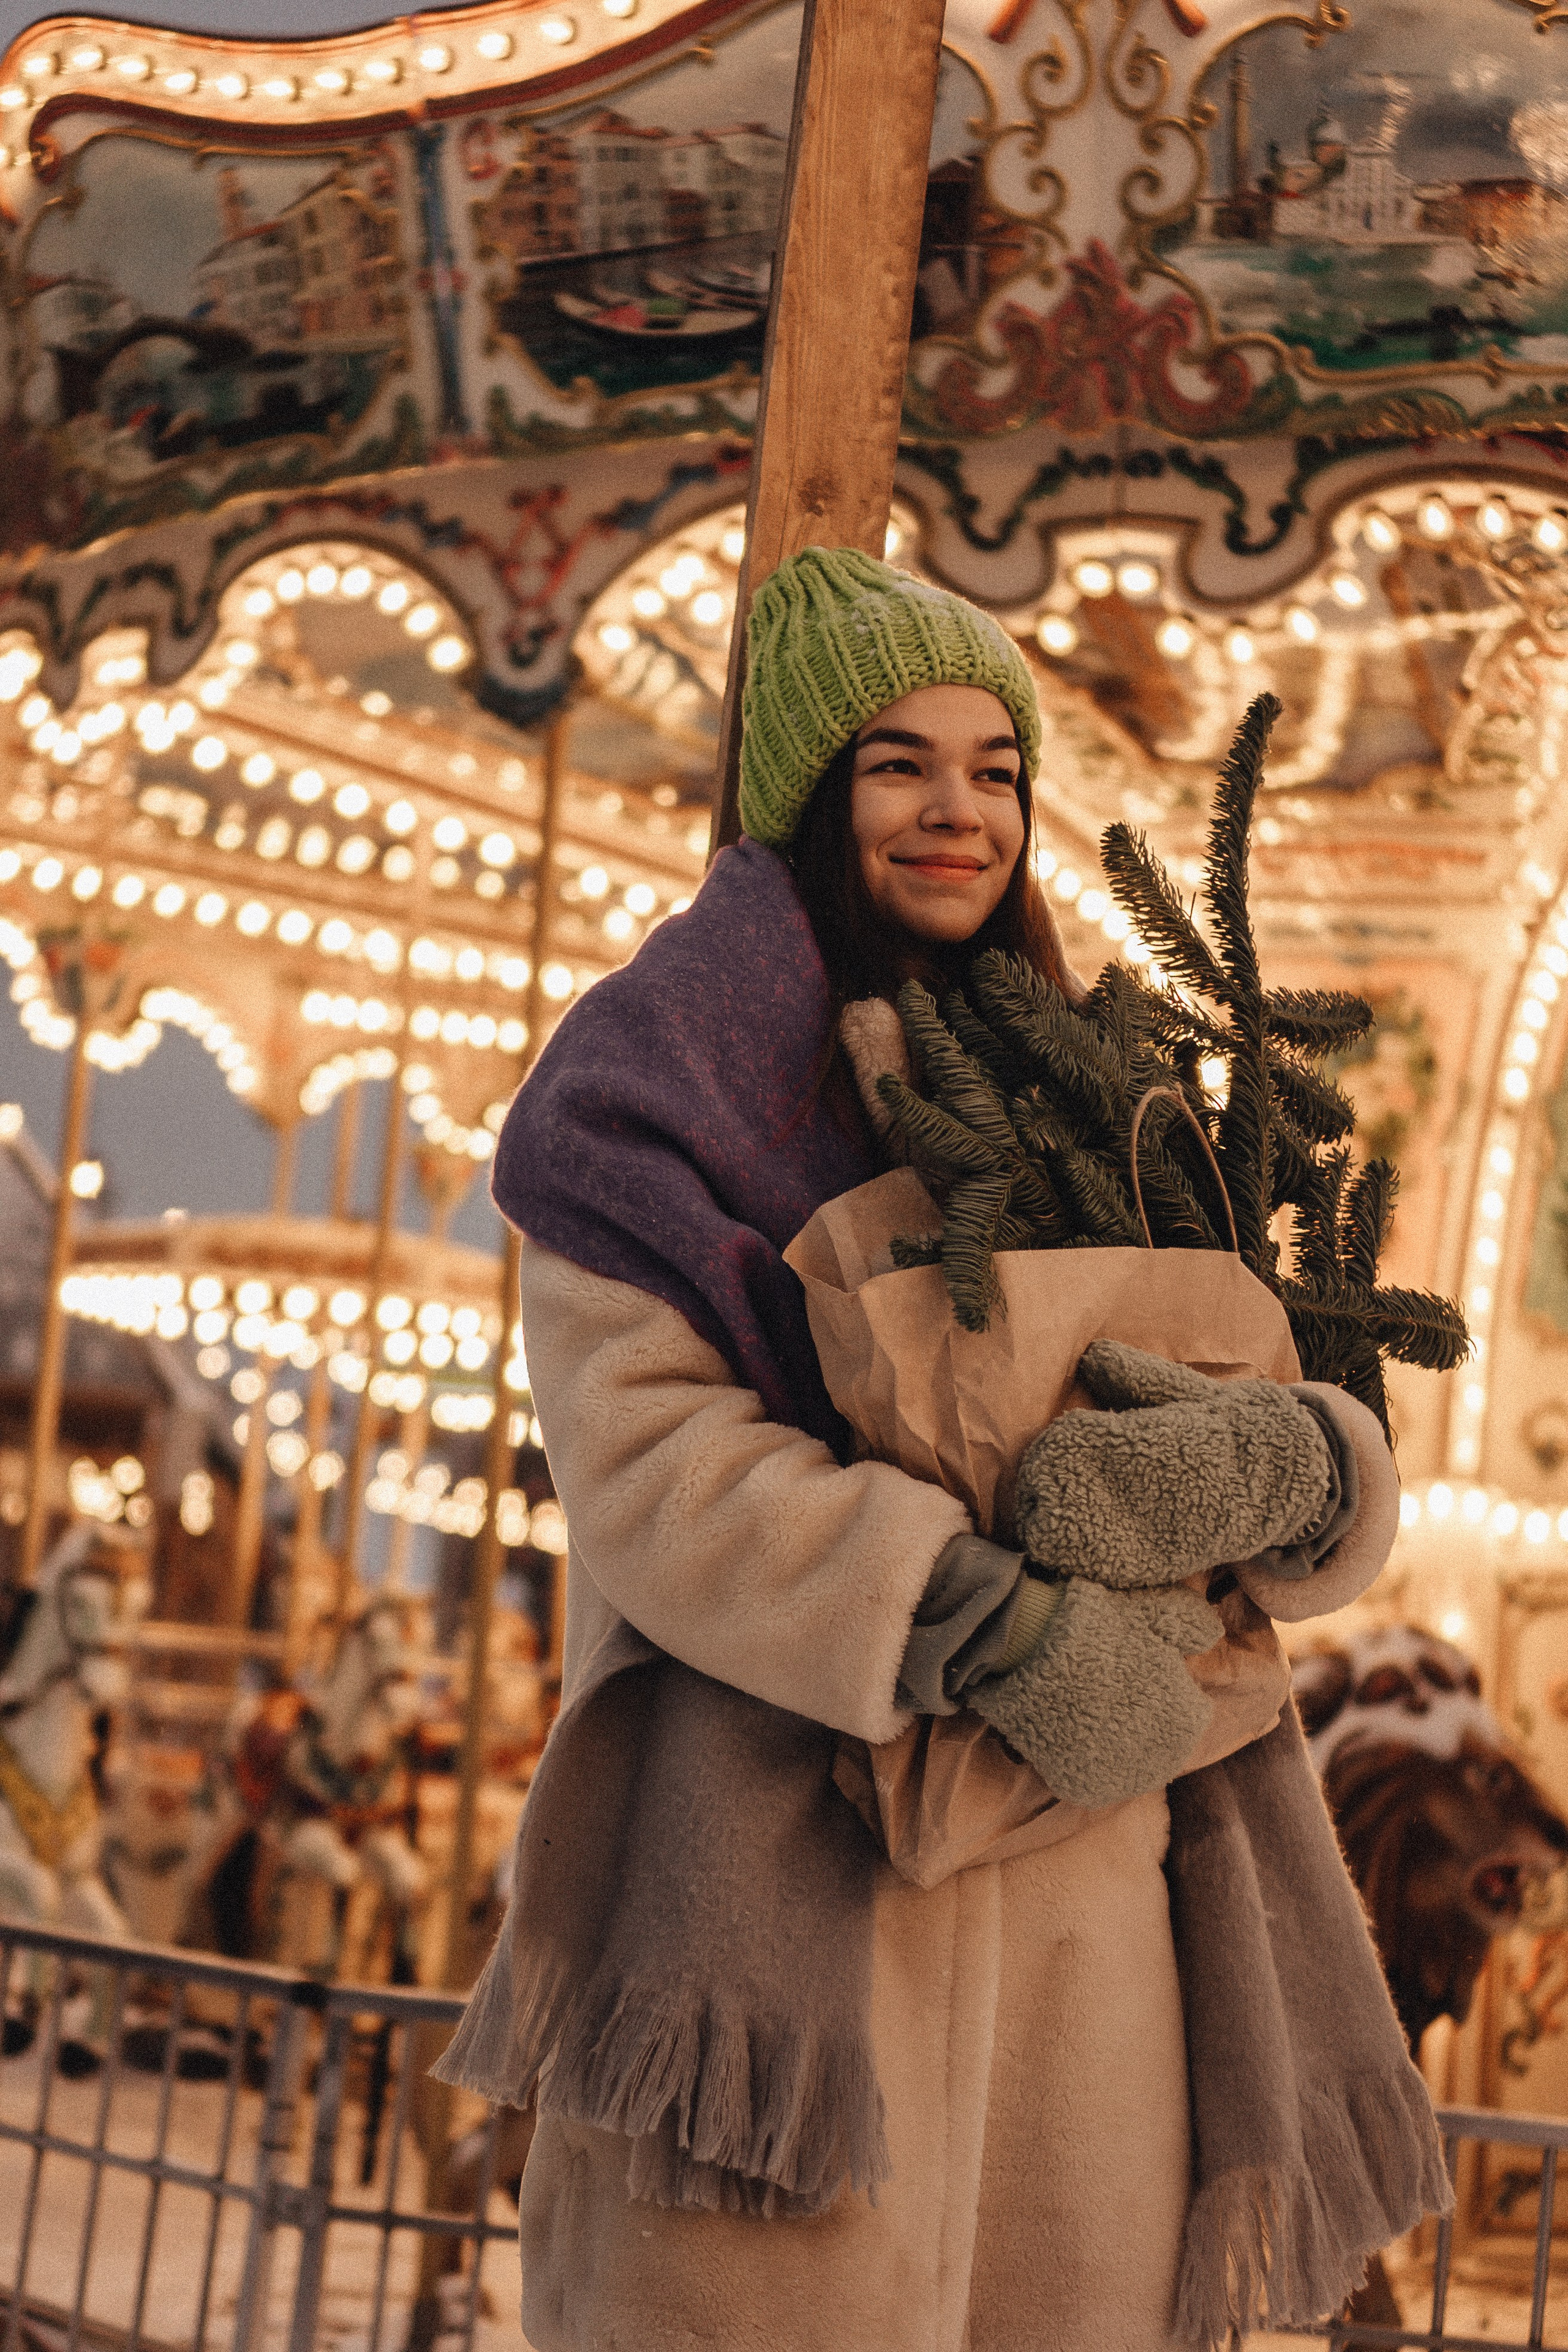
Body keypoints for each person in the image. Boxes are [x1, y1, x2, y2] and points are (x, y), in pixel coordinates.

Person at [439, 548, 1447, 2352]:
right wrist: (970, 1611)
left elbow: (1272, 1377)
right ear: (817, 792)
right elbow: (653, 1469)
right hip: (797, 1870)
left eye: (997, 770)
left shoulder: (1101, 1078)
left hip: (1090, 1885)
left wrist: (1303, 1466)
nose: (954, 811)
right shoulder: (653, 1093)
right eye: (899, 762)